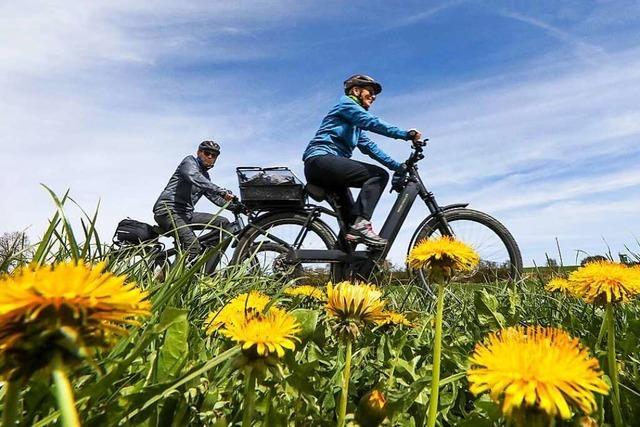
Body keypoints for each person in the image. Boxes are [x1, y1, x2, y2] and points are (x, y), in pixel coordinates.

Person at [303, 74, 422, 247]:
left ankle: (344, 266)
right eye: (370, 91)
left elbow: (372, 149)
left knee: (350, 225)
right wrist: (405, 134)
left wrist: (399, 167)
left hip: (328, 168)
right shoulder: (346, 105)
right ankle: (362, 225)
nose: (373, 97)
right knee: (378, 175)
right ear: (356, 90)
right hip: (320, 160)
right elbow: (370, 121)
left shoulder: (354, 127)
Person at [153, 140, 242, 259]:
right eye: (206, 153)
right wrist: (221, 190)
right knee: (192, 246)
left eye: (213, 155)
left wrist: (238, 207)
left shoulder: (205, 177)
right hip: (168, 211)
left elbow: (215, 197)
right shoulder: (189, 162)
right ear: (199, 152)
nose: (210, 157)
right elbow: (193, 176)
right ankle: (178, 275)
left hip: (186, 214)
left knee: (223, 223)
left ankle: (205, 253)